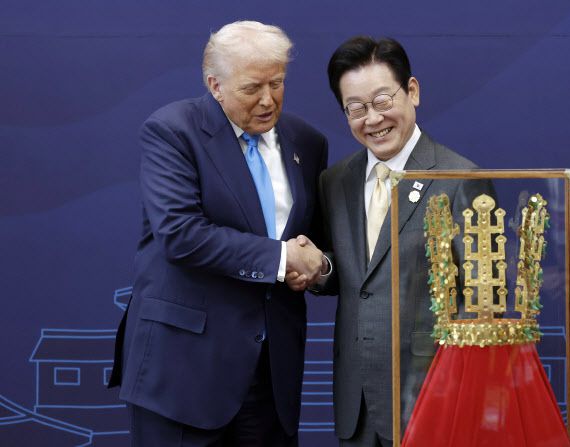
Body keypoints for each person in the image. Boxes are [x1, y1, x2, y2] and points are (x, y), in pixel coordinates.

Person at [109, 21, 328, 447]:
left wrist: (319, 266)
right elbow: (180, 233)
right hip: (183, 375)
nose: (268, 100)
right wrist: (282, 259)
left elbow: (314, 244)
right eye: (252, 88)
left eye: (277, 83)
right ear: (215, 85)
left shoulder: (307, 142)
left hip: (270, 381)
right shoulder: (173, 131)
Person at [287, 36, 490, 446]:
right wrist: (318, 269)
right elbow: (348, 272)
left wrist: (458, 387)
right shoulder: (335, 180)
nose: (373, 119)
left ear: (412, 91)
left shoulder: (459, 178)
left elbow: (484, 301)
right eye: (356, 108)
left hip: (433, 398)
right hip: (357, 401)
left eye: (382, 101)